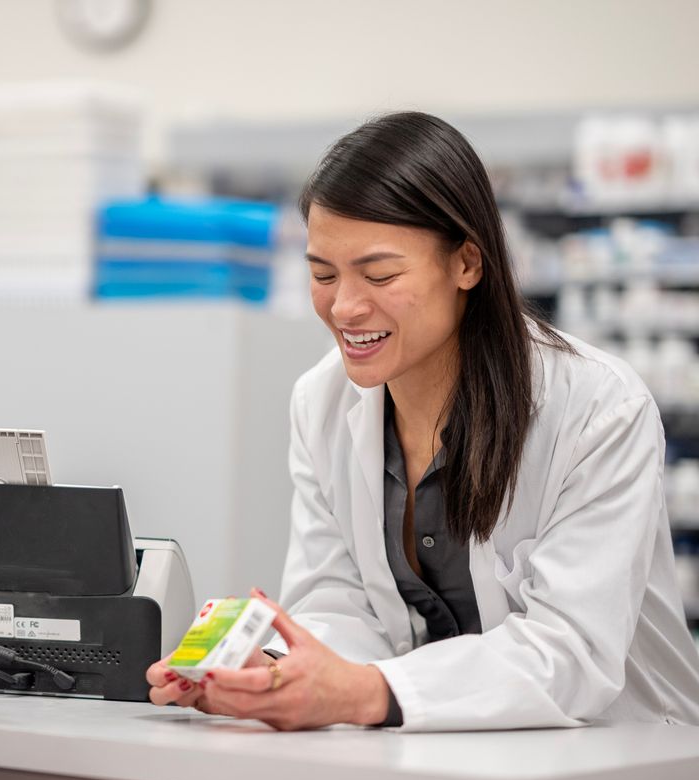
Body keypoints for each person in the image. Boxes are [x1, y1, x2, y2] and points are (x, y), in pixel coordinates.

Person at [147, 111, 699, 731]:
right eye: (323, 274)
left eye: (380, 274)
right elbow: (337, 602)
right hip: (445, 754)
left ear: (467, 263)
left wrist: (364, 692)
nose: (346, 307)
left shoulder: (599, 409)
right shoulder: (320, 402)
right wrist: (268, 668)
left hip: (623, 758)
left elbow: (569, 653)